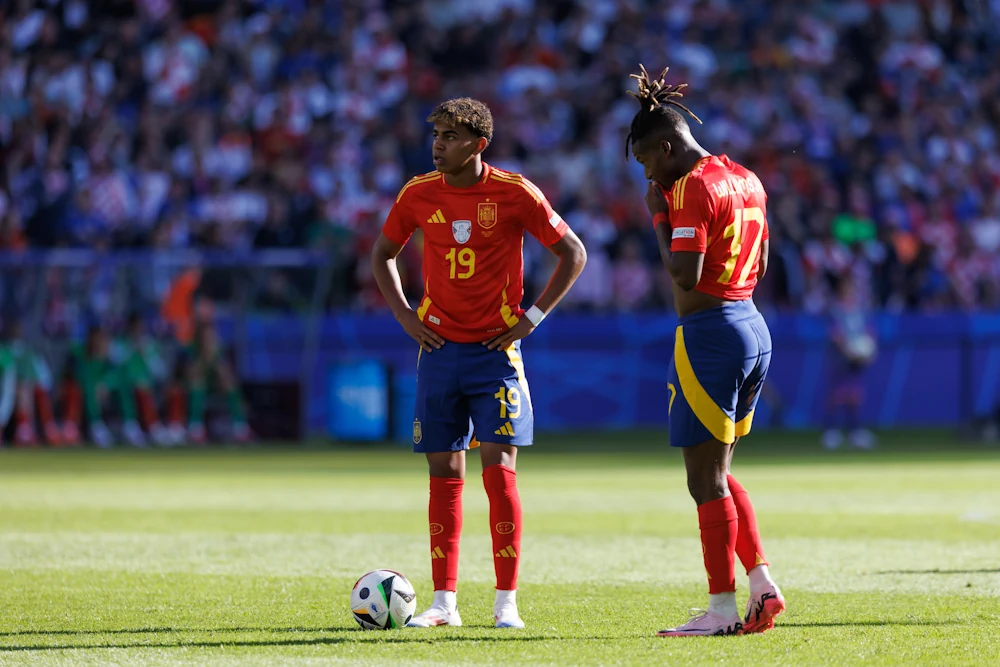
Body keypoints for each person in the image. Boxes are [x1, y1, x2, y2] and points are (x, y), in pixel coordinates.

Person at [371, 97, 586, 629]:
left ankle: (505, 602)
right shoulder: (418, 194)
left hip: (496, 355)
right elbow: (382, 254)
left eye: (448, 136)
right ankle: (445, 604)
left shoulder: (514, 192)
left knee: (500, 474)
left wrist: (530, 319)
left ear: (477, 144)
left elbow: (573, 253)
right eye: (436, 134)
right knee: (443, 476)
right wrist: (405, 316)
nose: (437, 145)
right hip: (439, 353)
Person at [625, 66, 784, 636]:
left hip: (711, 333)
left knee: (703, 480)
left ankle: (719, 609)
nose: (648, 173)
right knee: (721, 470)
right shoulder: (746, 177)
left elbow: (685, 273)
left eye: (647, 161)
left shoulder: (692, 187)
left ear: (666, 147)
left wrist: (659, 216)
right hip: (751, 323)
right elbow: (762, 263)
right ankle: (761, 584)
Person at [823, 274, 877, 450]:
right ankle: (832, 432)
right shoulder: (836, 310)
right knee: (838, 394)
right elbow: (835, 333)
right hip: (841, 358)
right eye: (846, 287)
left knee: (855, 395)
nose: (849, 290)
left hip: (857, 359)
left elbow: (868, 331)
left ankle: (855, 431)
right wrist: (847, 350)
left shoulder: (859, 310)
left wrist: (869, 350)